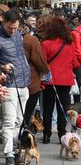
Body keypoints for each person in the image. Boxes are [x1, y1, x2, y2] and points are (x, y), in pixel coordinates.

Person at [37, 15, 79, 144]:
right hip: (65, 81)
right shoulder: (69, 44)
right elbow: (75, 63)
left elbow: (42, 62)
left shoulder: (45, 43)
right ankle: (62, 134)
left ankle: (46, 134)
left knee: (48, 109)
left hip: (50, 81)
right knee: (62, 109)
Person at [0, 10, 31, 165]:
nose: (12, 31)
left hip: (23, 82)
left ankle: (13, 148)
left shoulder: (19, 35)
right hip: (9, 84)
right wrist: (2, 67)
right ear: (3, 22)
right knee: (9, 121)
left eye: (15, 28)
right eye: (9, 28)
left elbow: (21, 55)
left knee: (19, 120)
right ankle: (8, 154)